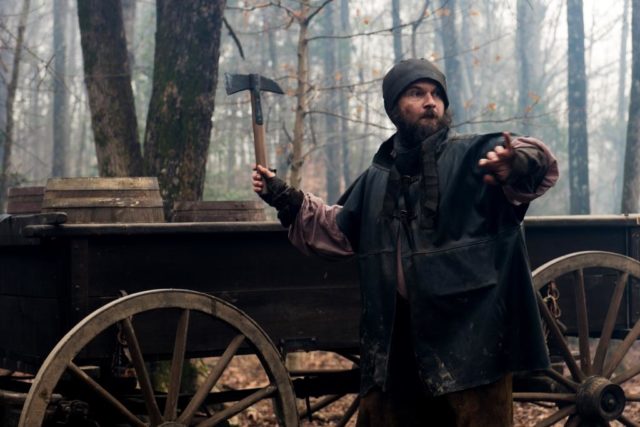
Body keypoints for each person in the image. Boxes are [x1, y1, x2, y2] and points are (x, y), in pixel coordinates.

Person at [252, 58, 558, 426]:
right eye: (417, 93)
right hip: (396, 345)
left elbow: (535, 157)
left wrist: (519, 163)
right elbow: (337, 230)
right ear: (395, 108)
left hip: (473, 346)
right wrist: (284, 196)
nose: (431, 102)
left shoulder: (478, 155)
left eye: (436, 94)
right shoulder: (377, 177)